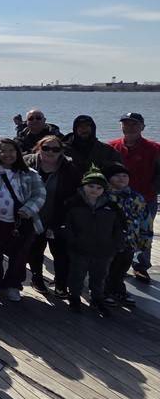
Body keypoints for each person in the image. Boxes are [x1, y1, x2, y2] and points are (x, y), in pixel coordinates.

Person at [0, 138, 46, 302]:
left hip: (22, 223)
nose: (8, 154)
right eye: (3, 151)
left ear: (18, 153)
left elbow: (40, 194)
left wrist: (29, 209)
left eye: (12, 150)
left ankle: (13, 285)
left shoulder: (29, 173)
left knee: (19, 256)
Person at [63, 166, 124, 316]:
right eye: (90, 186)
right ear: (83, 186)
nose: (94, 190)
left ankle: (97, 298)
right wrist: (72, 241)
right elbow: (66, 225)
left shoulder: (111, 206)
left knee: (99, 276)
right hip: (79, 248)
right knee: (77, 275)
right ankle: (74, 297)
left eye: (99, 187)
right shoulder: (73, 203)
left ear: (104, 189)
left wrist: (115, 245)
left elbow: (119, 227)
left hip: (104, 249)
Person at [24, 136, 80, 296]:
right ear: (38, 148)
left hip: (59, 217)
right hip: (34, 217)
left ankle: (61, 284)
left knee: (61, 253)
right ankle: (37, 279)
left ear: (61, 151)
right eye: (46, 148)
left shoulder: (69, 168)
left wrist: (64, 217)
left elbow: (76, 194)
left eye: (55, 149)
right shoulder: (27, 163)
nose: (50, 152)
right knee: (35, 251)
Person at [108, 112, 160, 283]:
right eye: (126, 124)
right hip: (117, 200)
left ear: (143, 127)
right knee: (115, 231)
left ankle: (141, 266)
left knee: (144, 233)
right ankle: (114, 263)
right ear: (121, 126)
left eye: (134, 124)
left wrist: (153, 189)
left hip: (145, 199)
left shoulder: (155, 148)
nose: (130, 127)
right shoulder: (111, 147)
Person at [104, 163, 151, 308]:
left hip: (130, 240)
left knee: (121, 268)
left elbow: (145, 220)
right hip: (107, 241)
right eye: (117, 175)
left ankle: (118, 289)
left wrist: (145, 239)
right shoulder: (103, 196)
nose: (121, 178)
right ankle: (103, 291)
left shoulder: (136, 197)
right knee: (105, 268)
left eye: (125, 176)